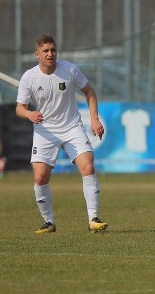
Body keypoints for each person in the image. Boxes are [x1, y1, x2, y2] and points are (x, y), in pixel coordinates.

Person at [16, 35, 108, 234]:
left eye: (53, 50)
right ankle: (48, 222)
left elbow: (90, 92)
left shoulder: (70, 70)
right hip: (44, 130)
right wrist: (29, 113)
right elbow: (19, 108)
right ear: (37, 54)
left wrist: (94, 119)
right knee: (40, 178)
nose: (50, 54)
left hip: (71, 128)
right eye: (46, 51)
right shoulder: (29, 77)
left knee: (88, 166)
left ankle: (93, 218)